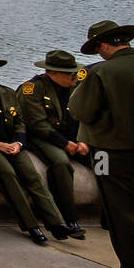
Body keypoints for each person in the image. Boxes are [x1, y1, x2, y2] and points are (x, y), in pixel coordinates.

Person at [70, 20, 134, 268]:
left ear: (104, 45)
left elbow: (82, 110)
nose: (99, 54)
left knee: (121, 215)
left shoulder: (101, 72)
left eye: (98, 49)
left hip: (110, 153)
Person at [0, 50, 70, 245]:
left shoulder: (8, 93)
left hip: (9, 141)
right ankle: (31, 225)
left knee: (31, 175)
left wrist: (18, 143)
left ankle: (56, 223)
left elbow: (19, 122)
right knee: (7, 173)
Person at [18, 50, 89, 239]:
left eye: (74, 71)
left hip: (72, 138)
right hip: (42, 137)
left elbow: (85, 116)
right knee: (60, 163)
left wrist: (84, 140)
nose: (74, 76)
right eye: (69, 73)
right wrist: (66, 144)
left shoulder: (75, 88)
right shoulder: (32, 89)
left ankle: (111, 216)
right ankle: (69, 218)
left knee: (104, 161)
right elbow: (37, 124)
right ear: (53, 73)